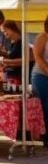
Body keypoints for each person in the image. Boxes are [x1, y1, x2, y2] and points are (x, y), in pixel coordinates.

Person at [31, 16, 48, 147]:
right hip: (41, 75)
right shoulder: (42, 37)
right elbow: (37, 57)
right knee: (45, 107)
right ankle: (46, 137)